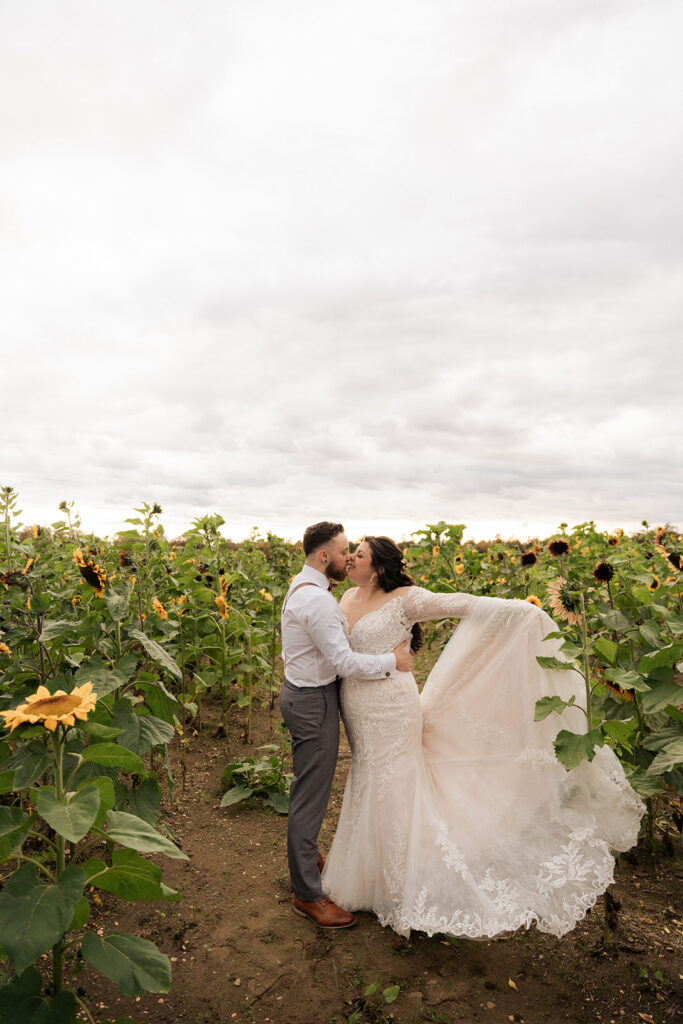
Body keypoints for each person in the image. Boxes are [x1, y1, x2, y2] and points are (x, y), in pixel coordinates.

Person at [321, 536, 646, 939]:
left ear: (380, 568)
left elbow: (462, 602)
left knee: (396, 782)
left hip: (392, 706)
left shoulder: (407, 598)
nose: (350, 557)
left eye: (360, 554)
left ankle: (404, 879)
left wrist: (522, 612)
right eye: (351, 552)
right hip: (356, 705)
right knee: (368, 776)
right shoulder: (347, 597)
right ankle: (367, 873)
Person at [279, 522, 413, 929]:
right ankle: (309, 895)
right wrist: (394, 662)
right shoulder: (318, 602)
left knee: (311, 787)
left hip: (303, 694)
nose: (348, 557)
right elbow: (345, 663)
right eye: (343, 552)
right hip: (312, 702)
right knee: (312, 796)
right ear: (324, 557)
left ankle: (307, 859)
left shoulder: (304, 587)